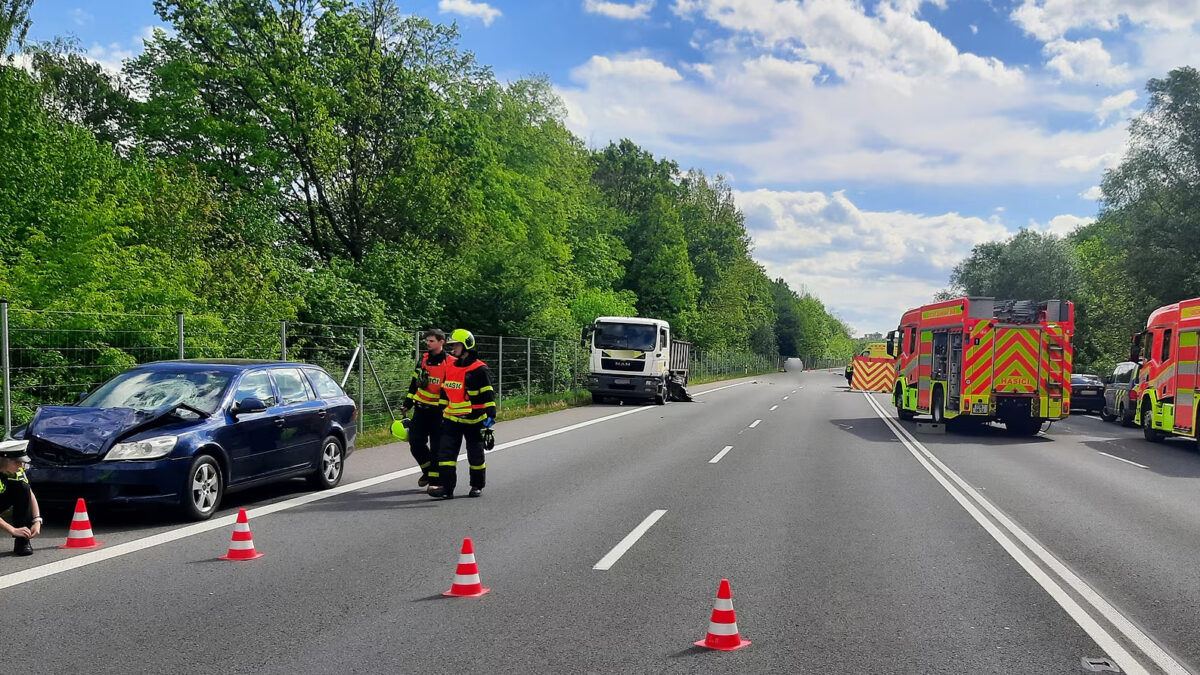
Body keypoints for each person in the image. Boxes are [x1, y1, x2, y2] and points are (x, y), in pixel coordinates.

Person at [428, 329, 496, 500]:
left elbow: (488, 396)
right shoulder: (450, 366)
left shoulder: (480, 369)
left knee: (475, 455)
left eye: (456, 345)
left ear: (467, 345)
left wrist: (490, 421)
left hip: (474, 420)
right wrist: (439, 413)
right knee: (446, 455)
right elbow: (445, 392)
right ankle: (447, 488)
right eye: (452, 345)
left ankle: (476, 485)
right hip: (451, 419)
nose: (454, 348)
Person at [401, 329, 450, 487]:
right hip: (420, 410)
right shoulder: (423, 360)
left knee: (436, 448)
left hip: (438, 412)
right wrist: (407, 404)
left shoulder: (449, 362)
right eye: (427, 341)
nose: (428, 344)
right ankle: (428, 472)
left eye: (431, 341)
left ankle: (435, 482)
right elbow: (414, 383)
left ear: (441, 342)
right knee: (415, 443)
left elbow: (450, 389)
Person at [0, 440, 41, 556]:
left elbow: (29, 493)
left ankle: (22, 540)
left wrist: (37, 520)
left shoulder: (17, 470)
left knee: (22, 488)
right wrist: (12, 529)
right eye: (17, 462)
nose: (21, 465)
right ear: (4, 461)